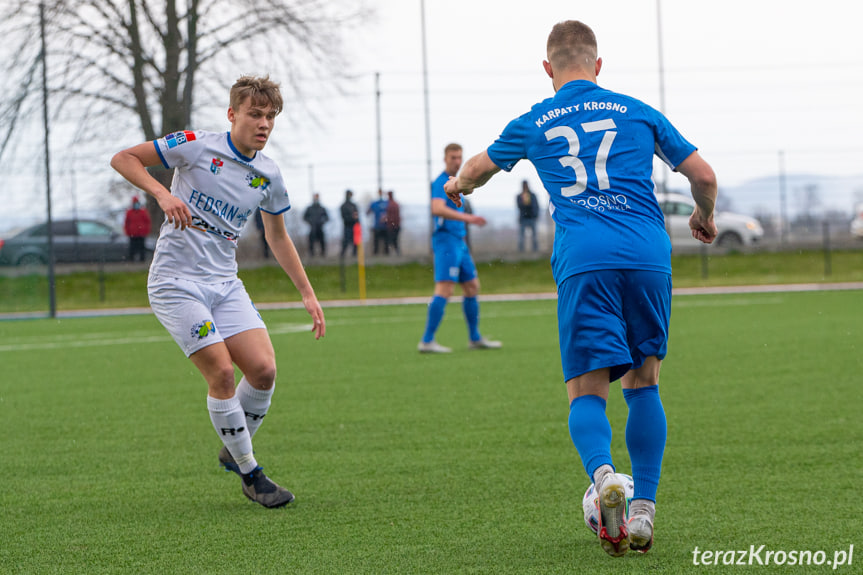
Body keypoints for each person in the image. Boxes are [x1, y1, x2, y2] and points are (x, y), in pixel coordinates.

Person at [442, 21, 717, 557]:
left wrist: (457, 185)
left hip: (584, 261)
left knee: (586, 391)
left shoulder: (534, 121)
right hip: (646, 256)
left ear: (548, 69)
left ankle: (604, 474)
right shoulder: (637, 110)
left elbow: (476, 170)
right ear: (598, 64)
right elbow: (702, 175)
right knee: (644, 383)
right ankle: (643, 510)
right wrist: (704, 217)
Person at [110, 75, 326, 509]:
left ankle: (235, 446)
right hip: (175, 283)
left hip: (225, 285)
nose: (263, 124)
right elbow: (123, 158)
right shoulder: (194, 144)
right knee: (223, 374)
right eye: (255, 114)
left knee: (263, 371)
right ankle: (252, 474)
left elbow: (278, 237)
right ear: (232, 115)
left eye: (270, 117)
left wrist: (307, 292)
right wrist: (160, 192)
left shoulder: (268, 174)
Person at [418, 143, 502, 354]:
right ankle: (427, 340)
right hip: (446, 241)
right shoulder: (440, 182)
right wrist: (468, 218)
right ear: (445, 158)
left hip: (459, 242)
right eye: (453, 157)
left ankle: (474, 338)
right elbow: (436, 208)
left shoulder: (456, 183)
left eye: (459, 157)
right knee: (445, 289)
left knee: (472, 286)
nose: (457, 161)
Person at [123, 195, 151, 262]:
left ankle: (142, 260)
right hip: (132, 234)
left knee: (142, 248)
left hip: (141, 234)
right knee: (132, 248)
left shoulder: (143, 212)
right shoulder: (129, 212)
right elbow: (126, 223)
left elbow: (147, 222)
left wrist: (146, 231)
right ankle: (132, 260)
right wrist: (128, 232)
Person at [517, 180, 540, 252]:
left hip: (532, 217)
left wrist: (535, 215)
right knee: (521, 236)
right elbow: (519, 206)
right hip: (523, 218)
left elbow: (536, 205)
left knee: (534, 236)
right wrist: (524, 201)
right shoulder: (519, 196)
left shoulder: (532, 196)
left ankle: (535, 250)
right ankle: (521, 251)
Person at [367, 188, 389, 255]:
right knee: (376, 242)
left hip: (385, 226)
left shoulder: (387, 203)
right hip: (377, 226)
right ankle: (376, 254)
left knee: (386, 242)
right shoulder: (374, 203)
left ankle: (386, 254)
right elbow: (368, 212)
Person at [340, 189, 359, 257]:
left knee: (355, 242)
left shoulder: (353, 205)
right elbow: (344, 216)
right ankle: (342, 254)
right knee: (346, 241)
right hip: (347, 226)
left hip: (354, 226)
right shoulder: (343, 206)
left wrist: (357, 223)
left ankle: (354, 254)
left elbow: (357, 215)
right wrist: (352, 218)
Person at [385, 190, 401, 255]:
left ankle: (390, 253)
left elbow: (391, 217)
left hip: (392, 225)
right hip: (396, 225)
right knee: (395, 240)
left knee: (391, 240)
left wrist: (387, 220)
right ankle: (396, 253)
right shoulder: (395, 204)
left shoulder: (390, 204)